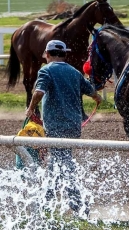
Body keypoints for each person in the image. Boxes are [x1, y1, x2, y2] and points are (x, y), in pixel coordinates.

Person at [24, 39, 101, 212]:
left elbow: (39, 92)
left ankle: (72, 204)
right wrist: (98, 99)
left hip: (55, 126)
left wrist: (30, 109)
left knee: (62, 161)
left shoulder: (46, 71)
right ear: (64, 54)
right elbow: (93, 93)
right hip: (74, 126)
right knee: (61, 160)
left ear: (48, 54)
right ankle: (51, 200)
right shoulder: (74, 72)